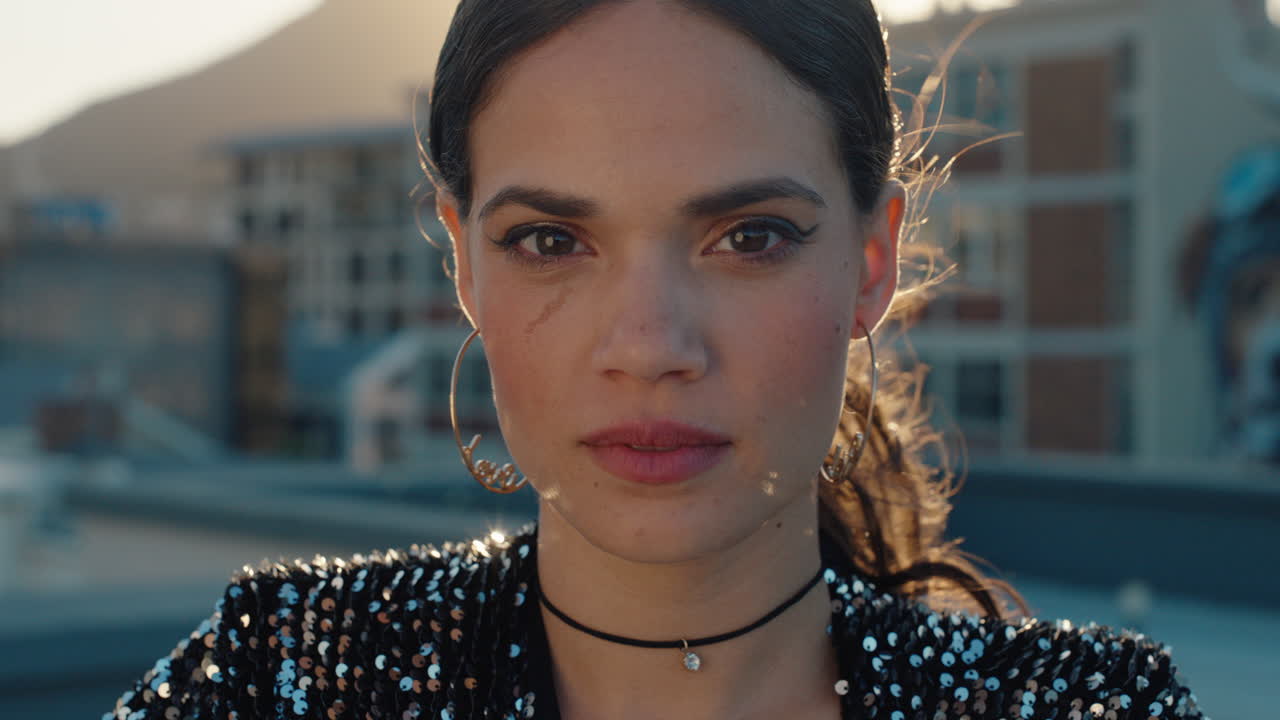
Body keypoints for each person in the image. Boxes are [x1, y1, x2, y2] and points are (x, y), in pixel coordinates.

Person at [108, 1, 1206, 719]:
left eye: (749, 238)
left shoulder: (1083, 707)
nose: (648, 347)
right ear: (463, 265)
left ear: (871, 261)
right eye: (551, 242)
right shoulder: (283, 680)